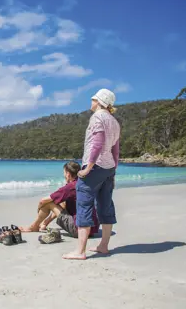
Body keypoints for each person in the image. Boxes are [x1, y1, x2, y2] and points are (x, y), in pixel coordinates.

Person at [63, 88, 120, 260]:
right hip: (109, 168)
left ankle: (80, 251)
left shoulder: (97, 117)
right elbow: (115, 150)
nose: (91, 101)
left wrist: (88, 168)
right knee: (105, 205)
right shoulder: (114, 121)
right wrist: (114, 171)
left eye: (93, 99)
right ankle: (103, 246)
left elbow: (97, 144)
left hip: (95, 167)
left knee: (84, 205)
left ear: (100, 102)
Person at [19, 161, 99, 238]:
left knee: (49, 203)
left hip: (79, 230)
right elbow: (62, 206)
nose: (63, 175)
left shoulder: (70, 187)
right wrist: (45, 222)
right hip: (93, 229)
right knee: (61, 202)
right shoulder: (85, 184)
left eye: (64, 173)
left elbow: (43, 201)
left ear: (68, 174)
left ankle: (34, 227)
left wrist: (40, 207)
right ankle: (44, 223)